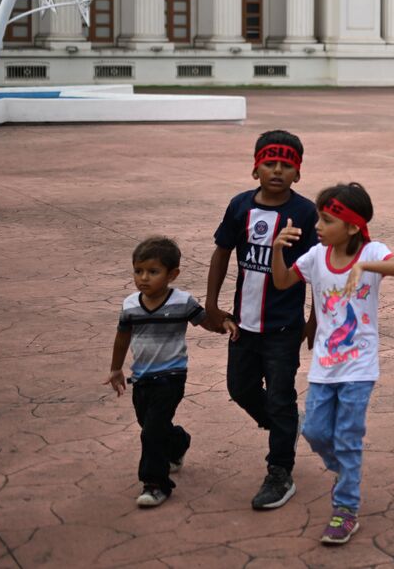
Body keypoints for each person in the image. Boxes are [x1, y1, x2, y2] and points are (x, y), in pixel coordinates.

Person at [270, 182, 394, 545]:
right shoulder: (317, 256)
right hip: (324, 365)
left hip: (359, 366)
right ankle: (346, 470)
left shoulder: (373, 250)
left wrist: (368, 265)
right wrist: (276, 250)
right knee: (314, 432)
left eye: (327, 219)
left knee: (347, 436)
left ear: (351, 226)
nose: (318, 225)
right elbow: (283, 281)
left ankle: (345, 508)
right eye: (319, 216)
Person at [203, 130, 319, 510]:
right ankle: (282, 425)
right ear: (255, 168)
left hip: (284, 327)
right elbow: (221, 253)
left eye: (287, 166)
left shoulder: (304, 213)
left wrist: (316, 319)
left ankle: (279, 471)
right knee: (240, 388)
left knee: (282, 396)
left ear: (298, 174)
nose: (277, 171)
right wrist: (212, 305)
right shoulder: (239, 207)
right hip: (242, 324)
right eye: (270, 163)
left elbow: (316, 268)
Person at [106, 236, 235, 507]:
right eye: (138, 271)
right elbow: (122, 337)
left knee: (150, 432)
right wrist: (116, 368)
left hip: (171, 376)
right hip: (141, 377)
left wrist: (224, 324)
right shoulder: (130, 305)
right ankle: (178, 442)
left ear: (172, 274)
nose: (144, 278)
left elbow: (205, 323)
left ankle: (155, 484)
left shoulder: (182, 302)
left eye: (153, 272)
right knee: (150, 424)